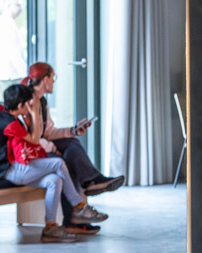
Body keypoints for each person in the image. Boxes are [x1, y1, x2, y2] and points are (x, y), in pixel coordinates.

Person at [0, 83, 104, 243]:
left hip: (16, 168)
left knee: (55, 180)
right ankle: (79, 206)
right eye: (28, 104)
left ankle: (50, 227)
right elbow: (34, 139)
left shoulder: (9, 117)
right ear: (21, 105)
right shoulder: (9, 123)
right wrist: (34, 113)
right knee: (58, 163)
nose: (30, 106)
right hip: (9, 171)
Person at [23, 61, 125, 199]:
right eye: (53, 77)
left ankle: (92, 182)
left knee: (72, 143)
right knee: (65, 161)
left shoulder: (42, 102)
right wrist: (53, 148)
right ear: (45, 79)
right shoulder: (27, 103)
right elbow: (30, 139)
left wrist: (73, 130)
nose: (54, 81)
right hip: (28, 151)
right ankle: (77, 209)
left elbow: (48, 133)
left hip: (41, 144)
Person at [0, 0, 27, 88]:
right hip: (10, 75)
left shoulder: (5, 22)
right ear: (8, 5)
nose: (21, 9)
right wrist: (24, 74)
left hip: (7, 74)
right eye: (18, 5)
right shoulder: (6, 24)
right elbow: (13, 52)